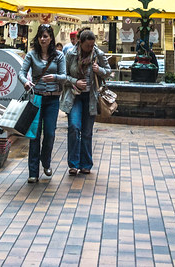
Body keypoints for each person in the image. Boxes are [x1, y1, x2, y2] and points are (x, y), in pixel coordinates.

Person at [18, 24, 66, 184]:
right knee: (34, 135)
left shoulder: (59, 56)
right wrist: (25, 82)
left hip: (52, 99)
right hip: (36, 98)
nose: (43, 39)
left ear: (51, 38)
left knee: (50, 133)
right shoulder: (32, 55)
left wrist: (54, 78)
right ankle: (33, 172)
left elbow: (64, 76)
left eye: (46, 36)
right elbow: (21, 73)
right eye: (40, 36)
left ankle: (46, 162)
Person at [60, 28, 111, 176]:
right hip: (74, 96)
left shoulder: (98, 54)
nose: (90, 48)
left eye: (92, 45)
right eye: (87, 45)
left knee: (87, 132)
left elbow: (108, 71)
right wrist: (75, 81)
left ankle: (86, 164)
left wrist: (99, 69)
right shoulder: (70, 54)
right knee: (74, 127)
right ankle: (73, 164)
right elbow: (63, 76)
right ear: (80, 43)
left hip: (91, 97)